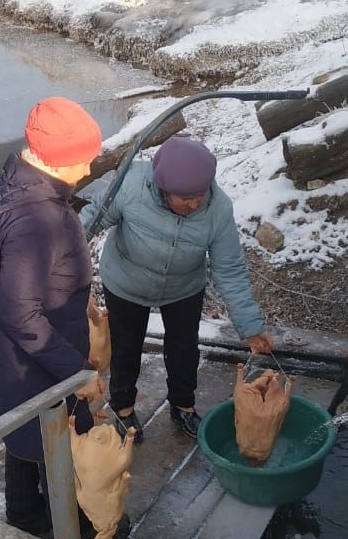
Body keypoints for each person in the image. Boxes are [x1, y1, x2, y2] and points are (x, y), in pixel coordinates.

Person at [0, 96, 116, 539]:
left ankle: (22, 513)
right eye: (85, 157)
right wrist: (76, 371)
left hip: (10, 343)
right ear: (59, 158)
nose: (91, 166)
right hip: (28, 355)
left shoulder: (18, 185)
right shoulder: (37, 219)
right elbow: (21, 311)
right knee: (52, 438)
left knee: (23, 429)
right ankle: (69, 526)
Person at [79, 136, 273, 441]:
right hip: (127, 281)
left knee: (184, 349)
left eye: (200, 195)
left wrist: (250, 326)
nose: (195, 203)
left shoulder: (218, 209)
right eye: (186, 198)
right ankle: (123, 408)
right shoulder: (130, 185)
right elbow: (92, 218)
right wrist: (65, 243)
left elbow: (230, 269)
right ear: (163, 188)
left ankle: (183, 405)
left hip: (183, 286)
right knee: (125, 348)